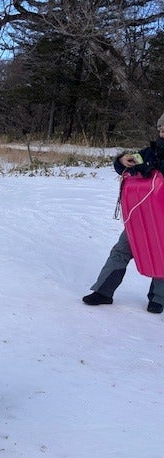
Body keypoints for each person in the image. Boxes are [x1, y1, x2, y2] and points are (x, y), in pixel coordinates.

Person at [82, 114, 164, 314]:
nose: (163, 133)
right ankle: (103, 291)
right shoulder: (150, 153)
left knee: (161, 253)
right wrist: (122, 160)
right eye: (161, 129)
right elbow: (125, 165)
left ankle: (158, 299)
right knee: (121, 250)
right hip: (142, 215)